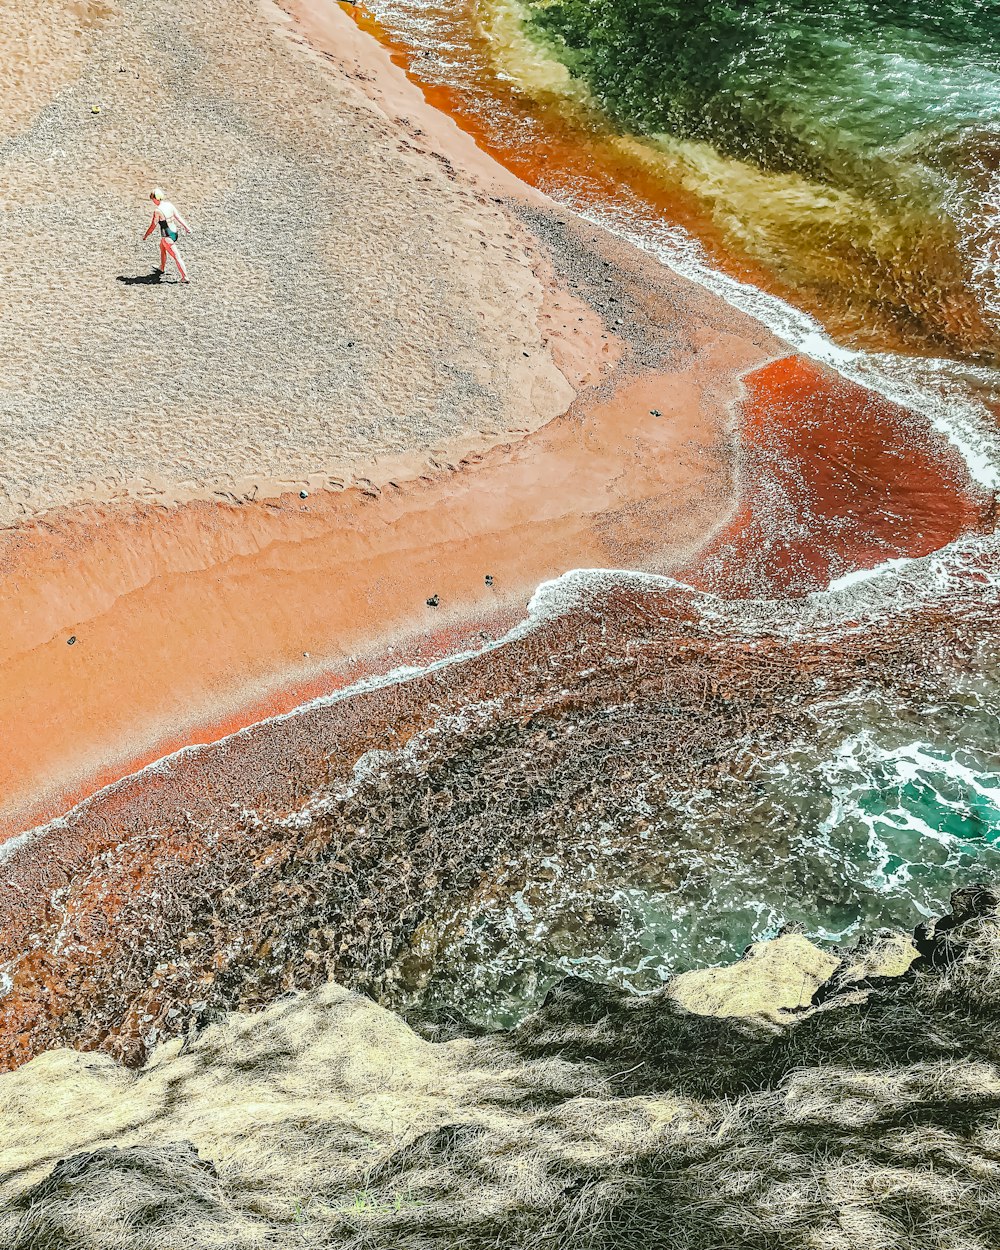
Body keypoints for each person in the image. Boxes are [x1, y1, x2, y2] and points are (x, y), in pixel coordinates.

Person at [143, 188, 192, 283]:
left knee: (177, 256)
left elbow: (153, 225)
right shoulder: (169, 205)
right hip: (174, 232)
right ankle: (162, 267)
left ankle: (185, 277)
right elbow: (178, 217)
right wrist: (186, 227)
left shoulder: (158, 211)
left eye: (153, 199)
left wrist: (146, 235)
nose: (152, 201)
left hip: (167, 236)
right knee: (161, 246)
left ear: (156, 198)